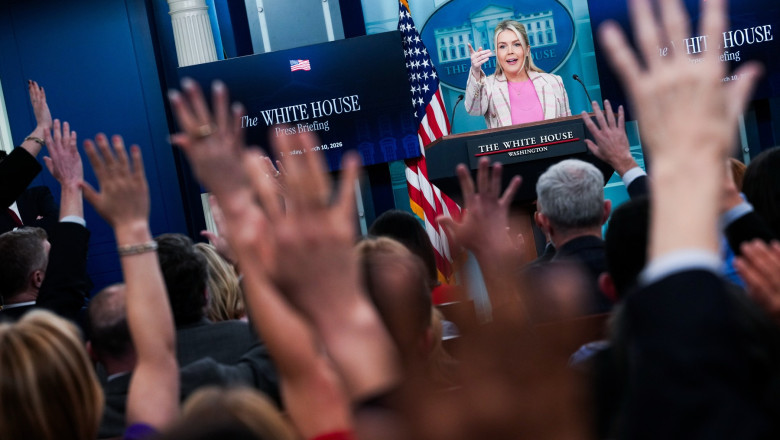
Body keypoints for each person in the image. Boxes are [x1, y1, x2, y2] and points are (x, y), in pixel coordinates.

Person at [465, 20, 570, 128]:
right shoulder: (488, 87)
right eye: (502, 46)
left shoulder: (554, 82)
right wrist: (475, 71)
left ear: (527, 50)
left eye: (516, 44)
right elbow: (473, 109)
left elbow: (569, 128)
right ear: (497, 53)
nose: (510, 51)